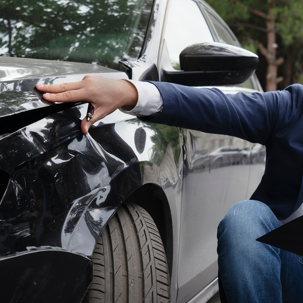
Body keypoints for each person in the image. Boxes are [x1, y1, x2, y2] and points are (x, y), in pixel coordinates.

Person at [36, 75, 303, 303]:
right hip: (292, 264)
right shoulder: (296, 108)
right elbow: (218, 107)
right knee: (246, 219)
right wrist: (128, 91)